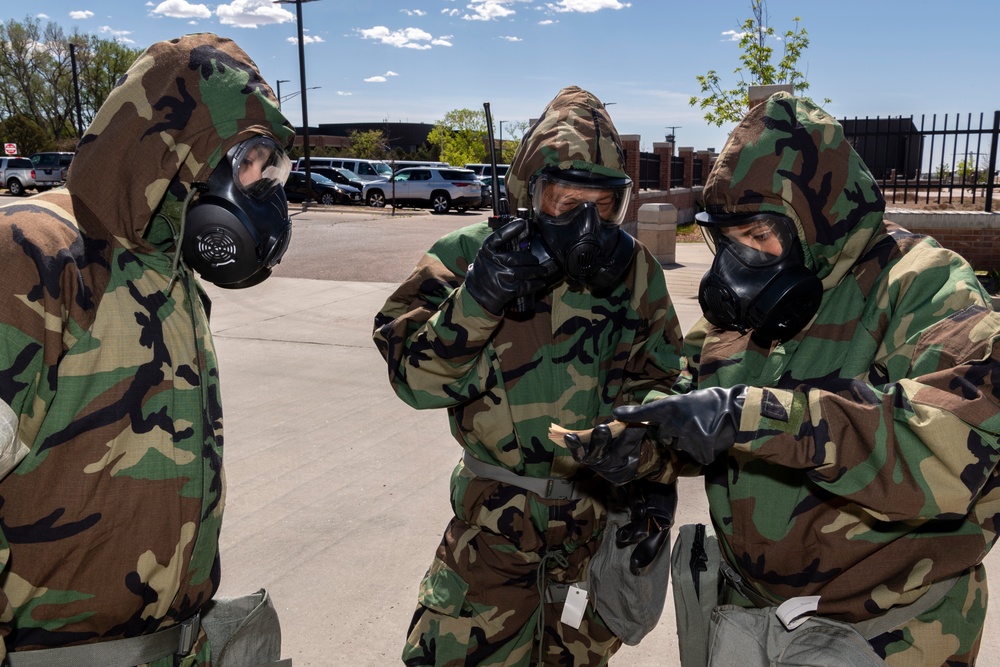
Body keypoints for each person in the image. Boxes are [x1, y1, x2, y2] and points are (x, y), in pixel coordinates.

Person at [571, 92, 1000, 666]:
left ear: (817, 225)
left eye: (757, 238)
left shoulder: (923, 287)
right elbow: (688, 397)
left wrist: (751, 416)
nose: (737, 266)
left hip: (882, 629)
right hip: (750, 615)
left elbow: (952, 451)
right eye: (726, 241)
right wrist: (642, 445)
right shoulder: (743, 313)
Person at [0, 33, 295, 665]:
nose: (265, 186)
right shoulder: (34, 254)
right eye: (252, 162)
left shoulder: (170, 272)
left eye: (274, 169)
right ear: (180, 150)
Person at [372, 85, 685, 665]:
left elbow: (668, 379)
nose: (587, 227)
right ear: (530, 193)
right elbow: (414, 380)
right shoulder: (465, 256)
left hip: (592, 539)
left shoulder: (635, 272)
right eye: (568, 206)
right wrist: (479, 299)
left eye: (604, 206)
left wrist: (645, 449)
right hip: (491, 543)